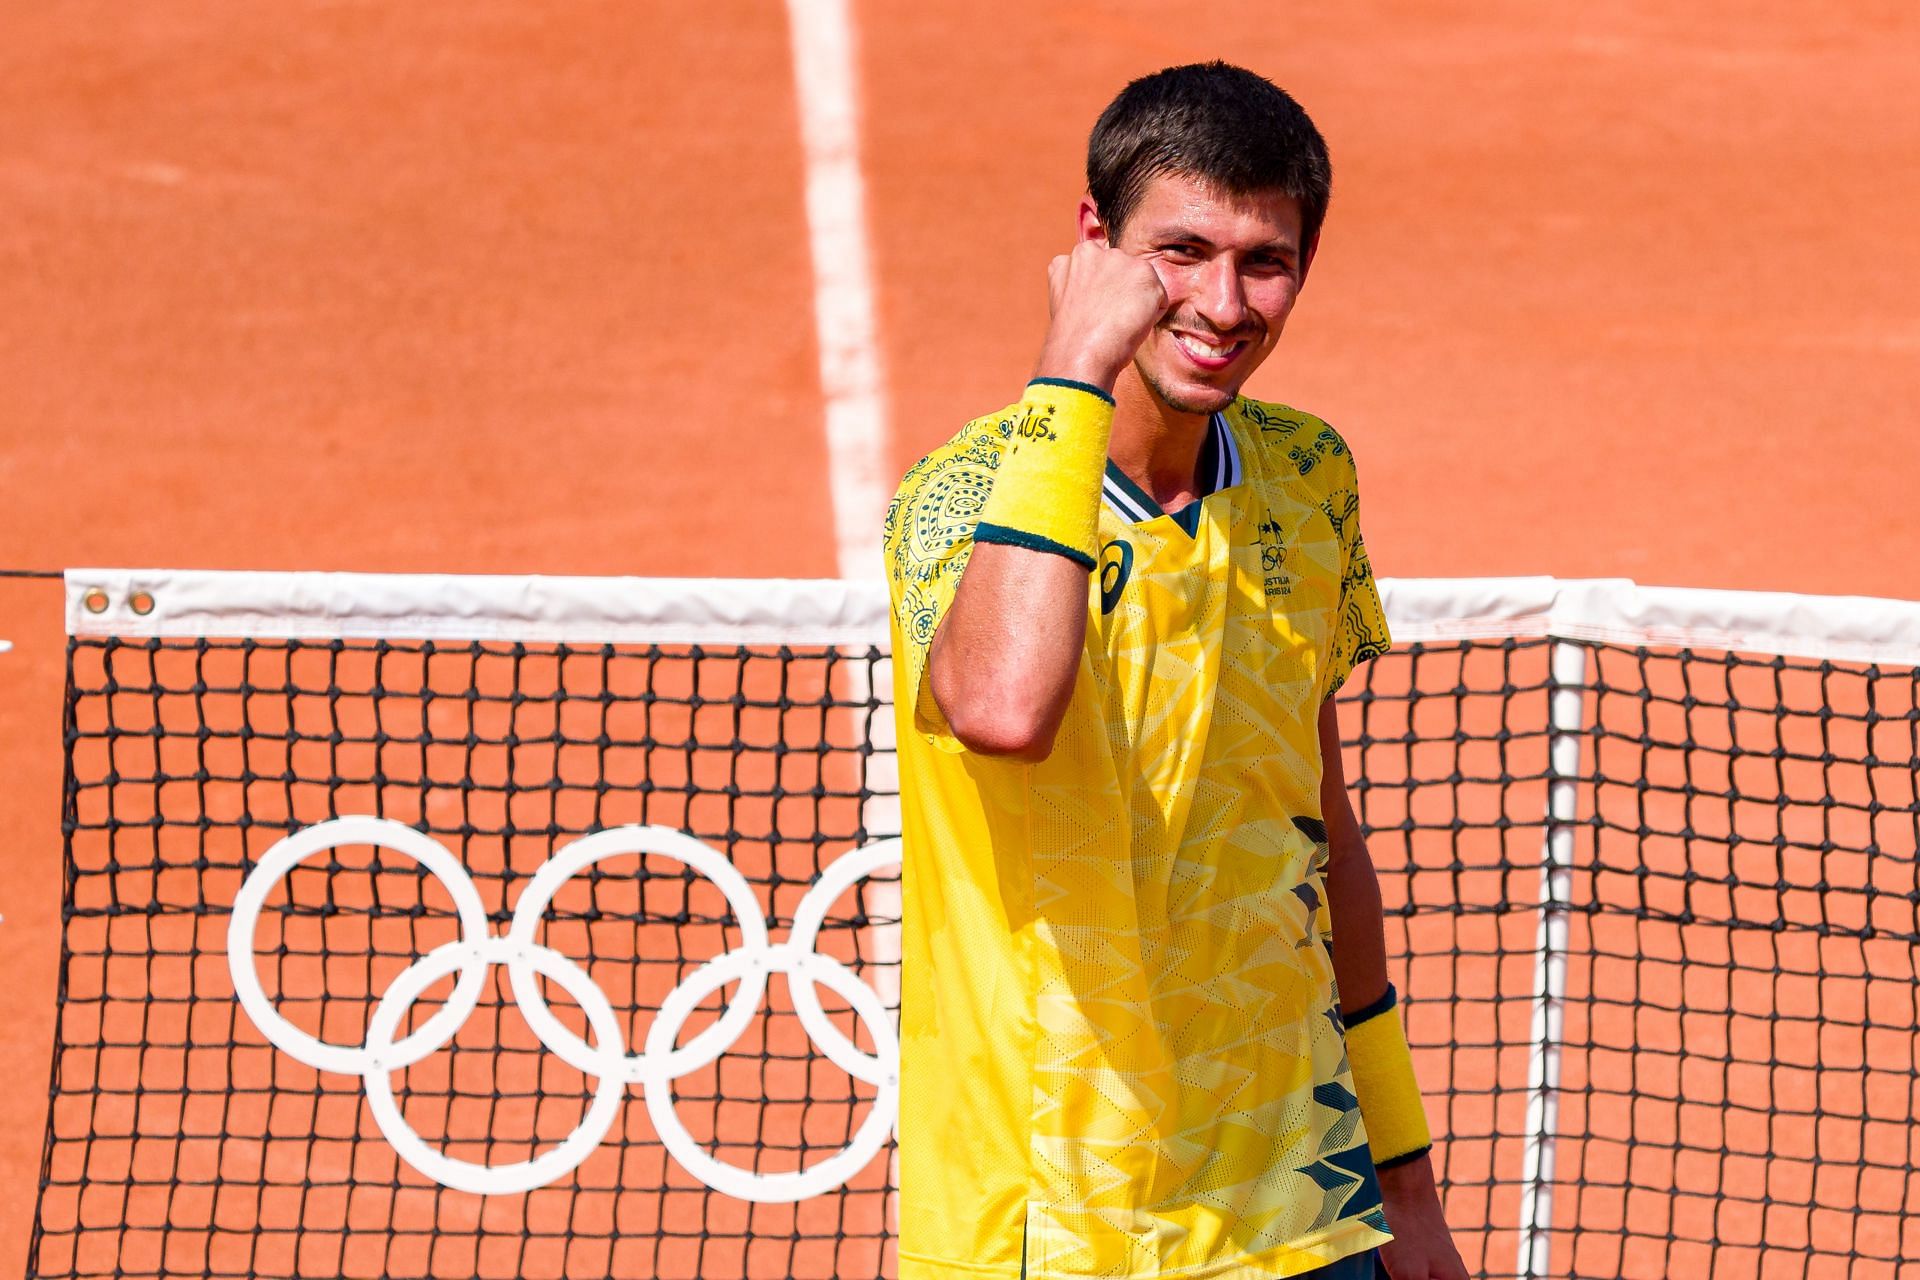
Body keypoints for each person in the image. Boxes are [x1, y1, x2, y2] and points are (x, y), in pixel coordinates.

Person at [881, 62, 1468, 1280]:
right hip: (1052, 1218)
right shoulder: (959, 500)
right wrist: (1071, 377)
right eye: (1182, 250)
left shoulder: (1309, 476)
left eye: (1268, 260)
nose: (1224, 301)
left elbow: (1322, 832)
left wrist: (1406, 1182)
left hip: (1301, 1198)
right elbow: (1001, 708)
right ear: (1094, 240)